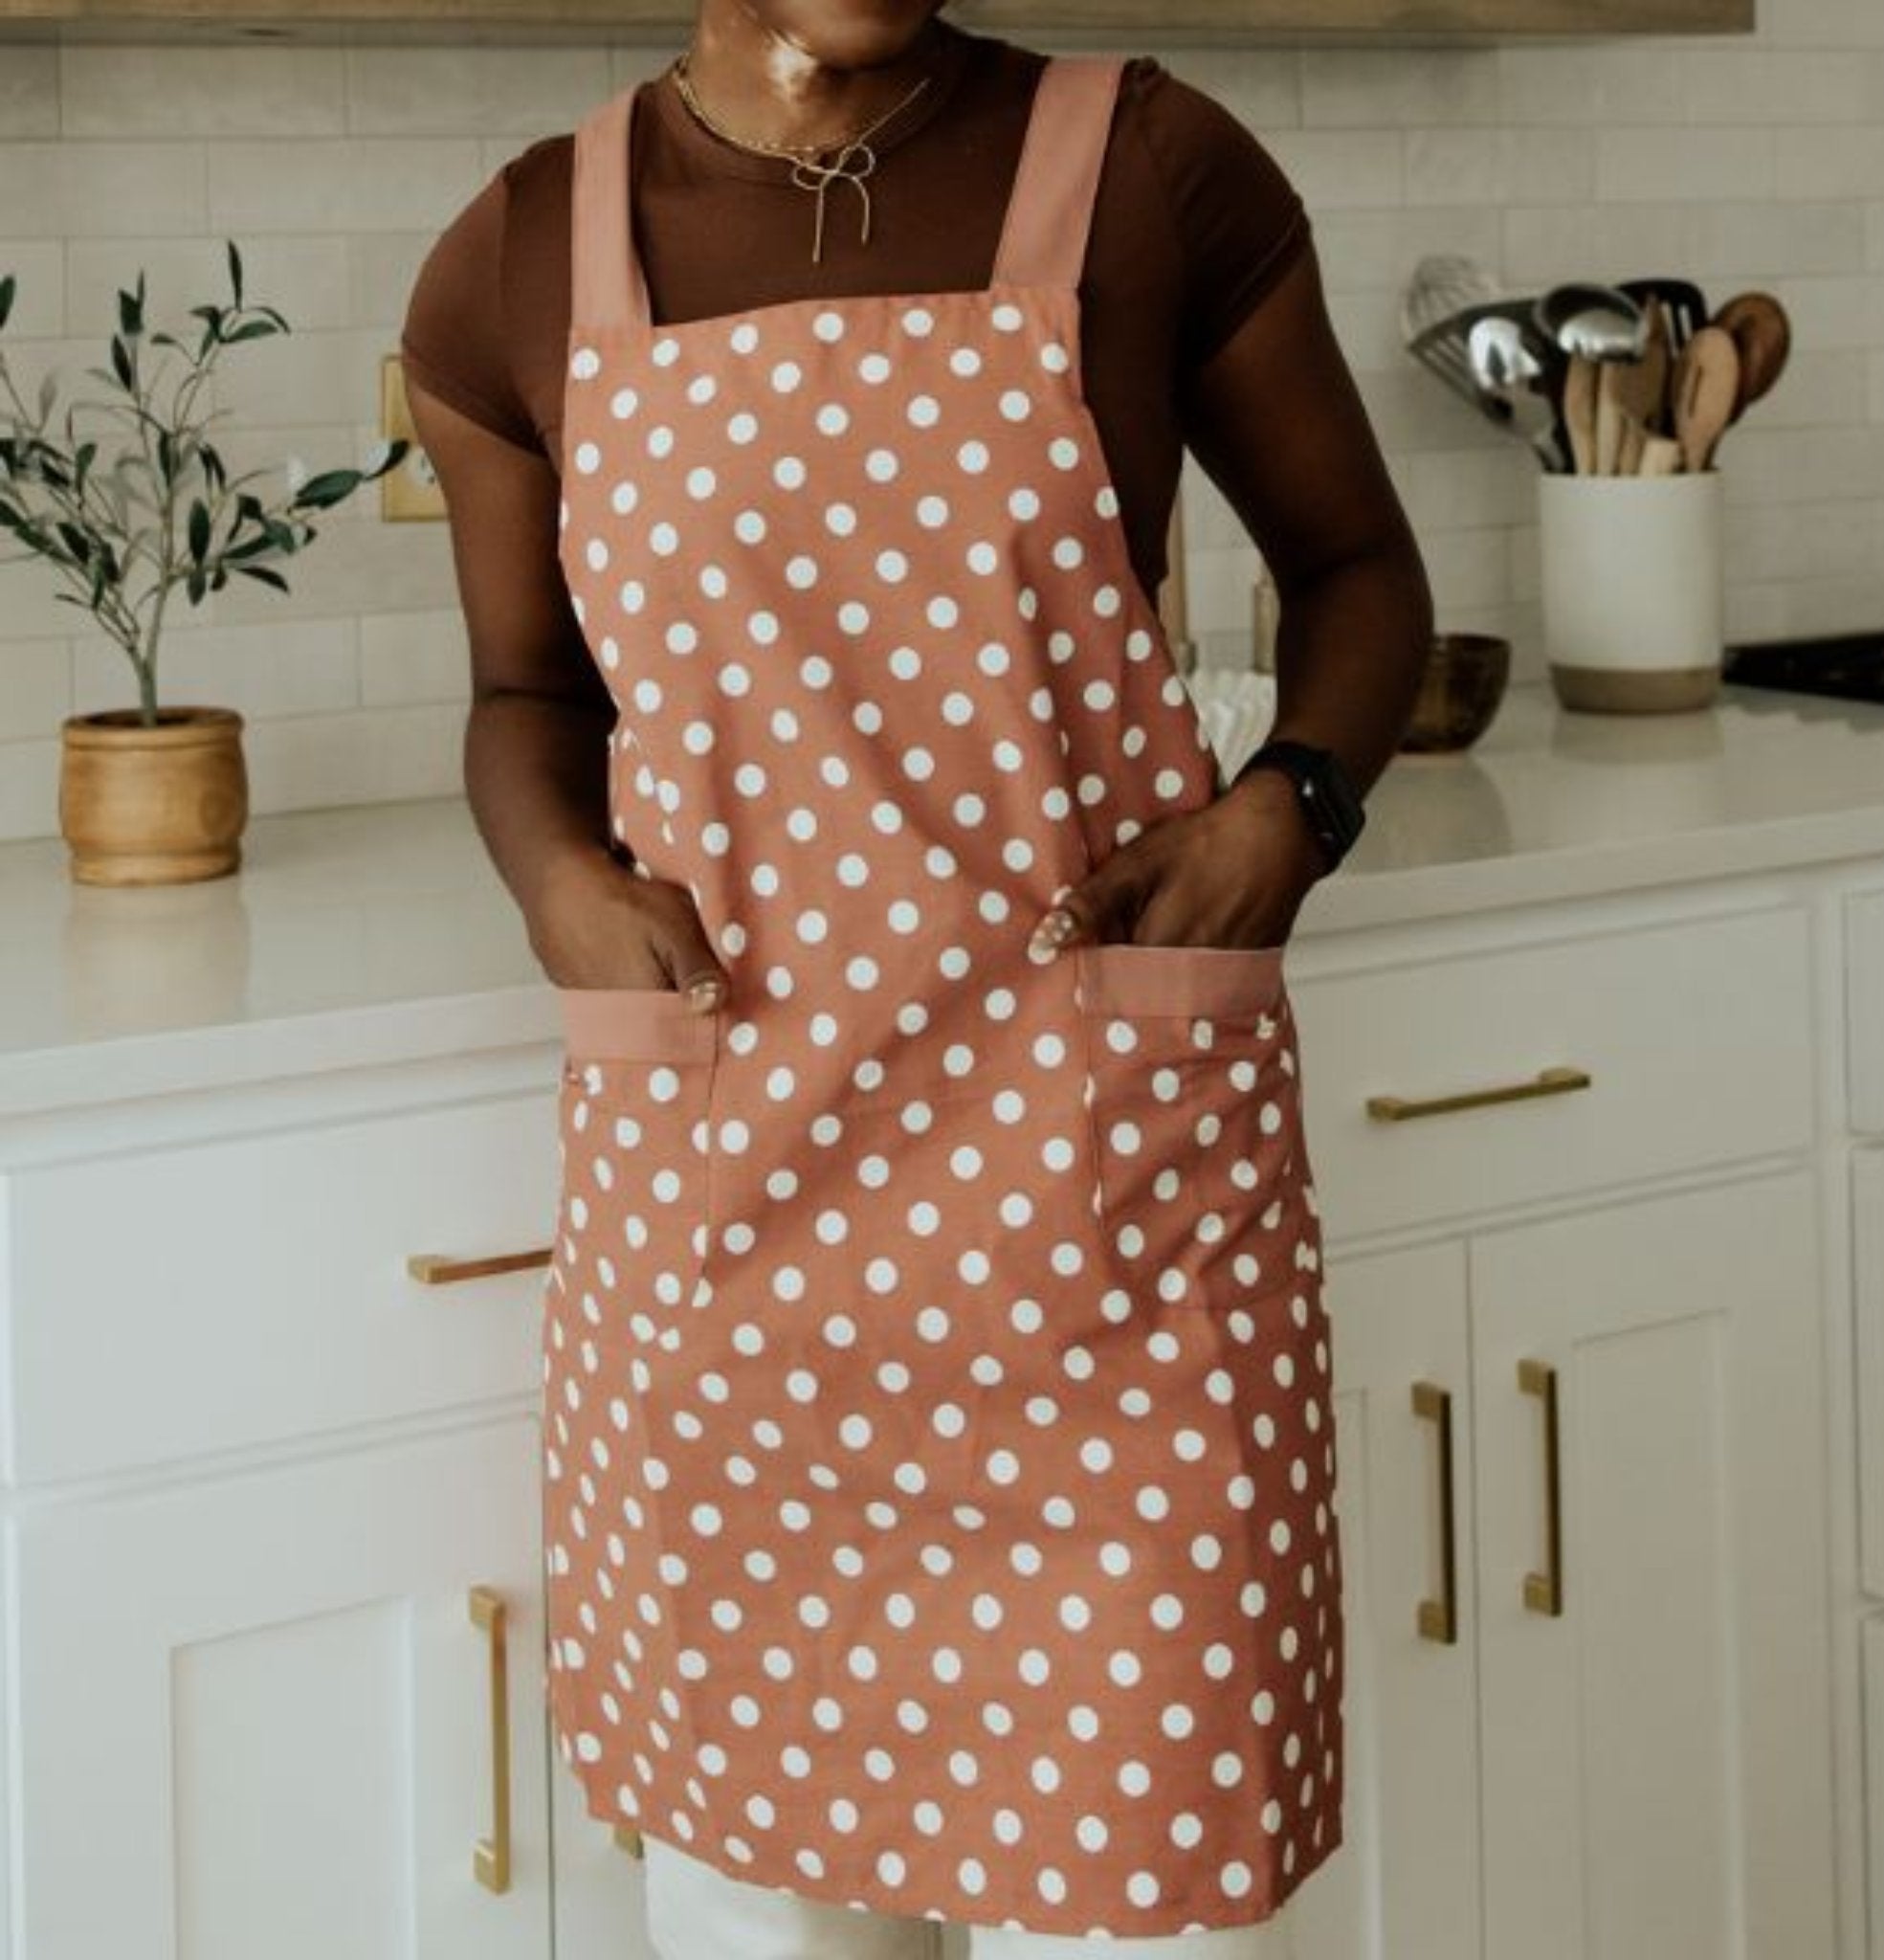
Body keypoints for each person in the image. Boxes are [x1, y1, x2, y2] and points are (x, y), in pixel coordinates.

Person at [400, 4, 1432, 1955]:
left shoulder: (1148, 167)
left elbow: (1359, 565)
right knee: (760, 1919)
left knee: (1158, 1902)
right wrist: (556, 884)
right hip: (728, 1246)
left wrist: (1285, 811)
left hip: (1107, 1223)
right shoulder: (527, 250)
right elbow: (527, 691)